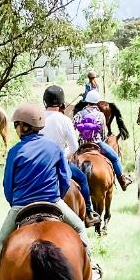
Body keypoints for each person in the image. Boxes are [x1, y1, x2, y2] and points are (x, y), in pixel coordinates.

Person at [0, 102, 89, 269]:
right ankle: (91, 267)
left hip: (21, 205)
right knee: (80, 227)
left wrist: (15, 202)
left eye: (17, 125)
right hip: (52, 202)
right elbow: (65, 179)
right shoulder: (54, 147)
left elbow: (7, 185)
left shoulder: (15, 152)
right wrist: (55, 196)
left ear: (22, 127)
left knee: (2, 240)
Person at [41, 85, 98, 224]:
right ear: (61, 103)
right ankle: (89, 213)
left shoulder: (38, 118)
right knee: (83, 179)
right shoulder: (65, 120)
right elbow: (74, 147)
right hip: (59, 163)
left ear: (44, 102)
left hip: (39, 163)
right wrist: (62, 154)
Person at [73, 101, 133, 191]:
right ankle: (122, 181)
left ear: (87, 102)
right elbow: (104, 134)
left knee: (69, 160)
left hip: (81, 144)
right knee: (115, 158)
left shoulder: (79, 114)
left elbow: (72, 128)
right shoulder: (100, 115)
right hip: (97, 143)